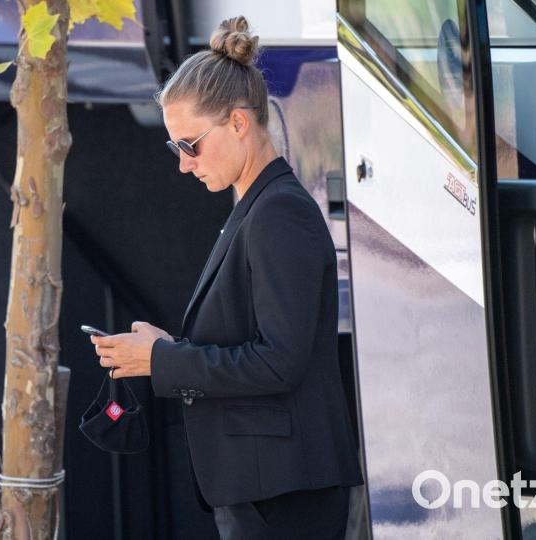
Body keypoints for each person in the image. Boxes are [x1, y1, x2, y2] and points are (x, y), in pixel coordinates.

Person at [88, 15, 364, 539]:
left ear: (238, 123)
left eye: (189, 144)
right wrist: (168, 349)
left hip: (282, 489)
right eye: (175, 149)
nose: (183, 164)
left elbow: (280, 361)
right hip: (266, 484)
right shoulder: (260, 207)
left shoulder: (278, 213)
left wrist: (163, 360)